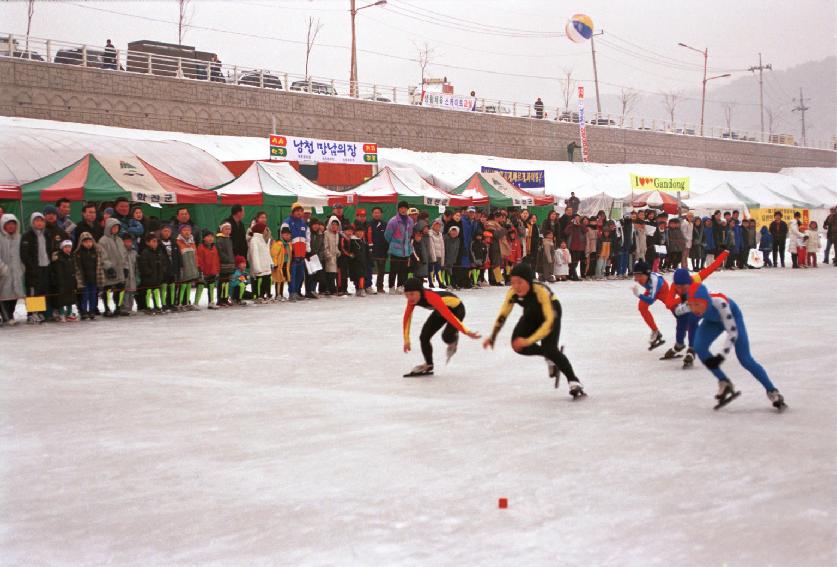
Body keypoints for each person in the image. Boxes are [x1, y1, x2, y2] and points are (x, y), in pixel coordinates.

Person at [483, 264, 586, 398]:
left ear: (529, 281)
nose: (516, 286)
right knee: (517, 345)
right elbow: (503, 315)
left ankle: (574, 381)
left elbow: (548, 323)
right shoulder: (512, 293)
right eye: (513, 282)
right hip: (531, 312)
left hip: (551, 312)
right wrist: (493, 337)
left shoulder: (541, 291)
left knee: (549, 348)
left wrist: (529, 340)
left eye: (520, 282)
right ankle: (551, 356)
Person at [687, 283, 785, 410]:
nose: (694, 309)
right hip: (712, 322)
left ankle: (772, 390)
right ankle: (724, 381)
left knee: (745, 359)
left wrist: (720, 356)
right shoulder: (688, 306)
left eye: (697, 304)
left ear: (706, 301)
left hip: (732, 318)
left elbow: (732, 332)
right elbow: (678, 310)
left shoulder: (720, 304)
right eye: (691, 304)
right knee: (699, 347)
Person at [401, 277, 480, 376]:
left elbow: (450, 316)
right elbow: (407, 319)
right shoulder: (411, 301)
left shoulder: (432, 298)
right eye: (406, 295)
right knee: (424, 337)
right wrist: (406, 340)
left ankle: (453, 338)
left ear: (420, 291)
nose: (409, 298)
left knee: (446, 337)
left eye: (412, 294)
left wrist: (466, 331)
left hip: (457, 309)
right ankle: (429, 365)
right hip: (440, 310)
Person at [282, 203, 310, 301]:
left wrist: (308, 250)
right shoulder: (287, 222)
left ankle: (297, 291)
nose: (299, 212)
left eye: (301, 211)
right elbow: (283, 237)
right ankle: (292, 293)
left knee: (301, 275)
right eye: (297, 211)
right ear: (293, 212)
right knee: (292, 275)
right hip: (292, 253)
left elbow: (307, 238)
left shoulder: (303, 223)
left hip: (302, 253)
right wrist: (288, 251)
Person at [385, 201, 415, 294]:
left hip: (406, 250)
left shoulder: (410, 221)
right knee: (394, 269)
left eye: (405, 208)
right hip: (395, 250)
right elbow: (387, 235)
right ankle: (391, 286)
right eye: (401, 208)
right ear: (398, 209)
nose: (403, 210)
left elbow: (410, 234)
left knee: (404, 270)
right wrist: (394, 243)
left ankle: (400, 285)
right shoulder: (393, 221)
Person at [0, 214, 24, 325]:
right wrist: (2, 268)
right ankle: (6, 317)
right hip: (3, 273)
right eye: (8, 224)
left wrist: (22, 268)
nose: (11, 226)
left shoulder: (19, 238)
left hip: (17, 272)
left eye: (13, 224)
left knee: (14, 294)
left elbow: (23, 255)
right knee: (3, 295)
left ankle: (10, 315)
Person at [138, 233, 165, 315]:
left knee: (156, 291)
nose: (155, 243)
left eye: (156, 241)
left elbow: (163, 263)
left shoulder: (159, 251)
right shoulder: (145, 252)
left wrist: (162, 272)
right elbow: (143, 265)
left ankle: (157, 305)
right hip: (148, 278)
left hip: (157, 277)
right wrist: (149, 273)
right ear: (147, 242)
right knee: (148, 292)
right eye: (153, 241)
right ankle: (148, 307)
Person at [51, 240, 78, 322]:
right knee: (61, 299)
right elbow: (58, 271)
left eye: (69, 247)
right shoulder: (59, 258)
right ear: (62, 248)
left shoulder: (72, 256)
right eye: (66, 247)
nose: (67, 249)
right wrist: (60, 281)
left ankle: (69, 313)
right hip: (62, 281)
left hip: (71, 281)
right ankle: (61, 313)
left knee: (70, 298)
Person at [247, 221, 272, 303]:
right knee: (259, 283)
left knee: (266, 282)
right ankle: (258, 296)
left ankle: (264, 295)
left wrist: (271, 263)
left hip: (265, 267)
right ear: (261, 230)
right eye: (265, 229)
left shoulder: (262, 239)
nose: (266, 231)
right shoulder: (254, 240)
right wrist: (256, 268)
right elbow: (254, 255)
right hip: (259, 268)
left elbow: (266, 253)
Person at [196, 229, 221, 309]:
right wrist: (201, 270)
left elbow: (216, 259)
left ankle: (211, 302)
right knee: (200, 286)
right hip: (203, 272)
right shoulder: (200, 247)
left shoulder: (214, 247)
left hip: (212, 271)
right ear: (204, 238)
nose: (210, 238)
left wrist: (217, 269)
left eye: (211, 236)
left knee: (211, 286)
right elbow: (199, 260)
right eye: (208, 236)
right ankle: (196, 303)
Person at [368, 207, 389, 293]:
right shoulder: (368, 224)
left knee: (381, 270)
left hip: (382, 252)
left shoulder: (385, 224)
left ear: (381, 214)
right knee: (369, 270)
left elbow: (388, 238)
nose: (376, 214)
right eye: (375, 212)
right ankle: (368, 286)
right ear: (372, 214)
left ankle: (380, 286)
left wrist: (387, 249)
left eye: (378, 212)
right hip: (371, 251)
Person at [216, 222, 236, 307]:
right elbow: (220, 252)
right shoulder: (220, 239)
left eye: (229, 229)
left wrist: (232, 261)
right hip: (223, 265)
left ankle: (225, 298)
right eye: (226, 228)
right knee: (222, 283)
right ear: (222, 229)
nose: (228, 230)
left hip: (230, 265)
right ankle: (220, 300)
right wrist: (227, 259)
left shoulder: (229, 239)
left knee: (227, 283)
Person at [271, 226, 291, 300]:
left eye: (289, 235)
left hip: (285, 264)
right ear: (282, 235)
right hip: (279, 265)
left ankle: (281, 294)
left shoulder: (288, 244)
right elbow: (274, 255)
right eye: (286, 235)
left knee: (283, 280)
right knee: (278, 280)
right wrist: (275, 264)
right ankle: (277, 295)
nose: (288, 236)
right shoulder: (278, 244)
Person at [120, 234, 138, 315]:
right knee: (125, 292)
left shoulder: (134, 252)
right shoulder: (121, 251)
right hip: (124, 276)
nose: (128, 243)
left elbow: (136, 265)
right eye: (126, 241)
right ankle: (124, 308)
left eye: (130, 241)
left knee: (131, 292)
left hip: (132, 276)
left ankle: (130, 308)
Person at [322, 216, 340, 296]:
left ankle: (332, 288)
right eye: (332, 224)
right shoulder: (326, 233)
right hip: (328, 257)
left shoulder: (337, 234)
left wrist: (338, 252)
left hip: (334, 256)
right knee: (329, 273)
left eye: (336, 224)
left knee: (333, 273)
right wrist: (328, 256)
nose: (334, 226)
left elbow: (336, 246)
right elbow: (325, 246)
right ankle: (328, 289)